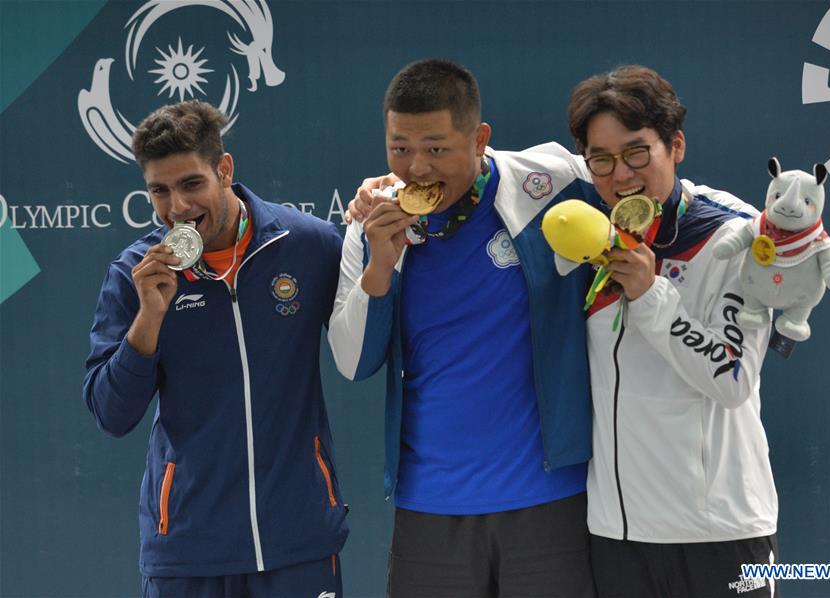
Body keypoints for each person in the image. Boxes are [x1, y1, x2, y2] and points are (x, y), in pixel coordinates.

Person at [328, 59, 597, 597]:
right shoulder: (370, 225)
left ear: (479, 139)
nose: (416, 168)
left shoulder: (551, 185)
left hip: (549, 501)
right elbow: (351, 362)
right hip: (430, 509)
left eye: (436, 148)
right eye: (399, 148)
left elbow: (649, 186)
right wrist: (380, 264)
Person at [83, 101, 348, 597]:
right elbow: (111, 414)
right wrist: (150, 318)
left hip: (298, 541)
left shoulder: (308, 244)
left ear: (224, 170)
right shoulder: (134, 274)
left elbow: (366, 337)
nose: (176, 208)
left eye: (190, 184)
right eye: (159, 191)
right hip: (188, 551)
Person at [567, 65, 779, 597]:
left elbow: (732, 379)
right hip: (617, 535)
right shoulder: (590, 232)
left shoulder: (735, 235)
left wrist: (651, 293)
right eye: (602, 160)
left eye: (638, 152)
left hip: (719, 533)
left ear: (676, 145)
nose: (620, 175)